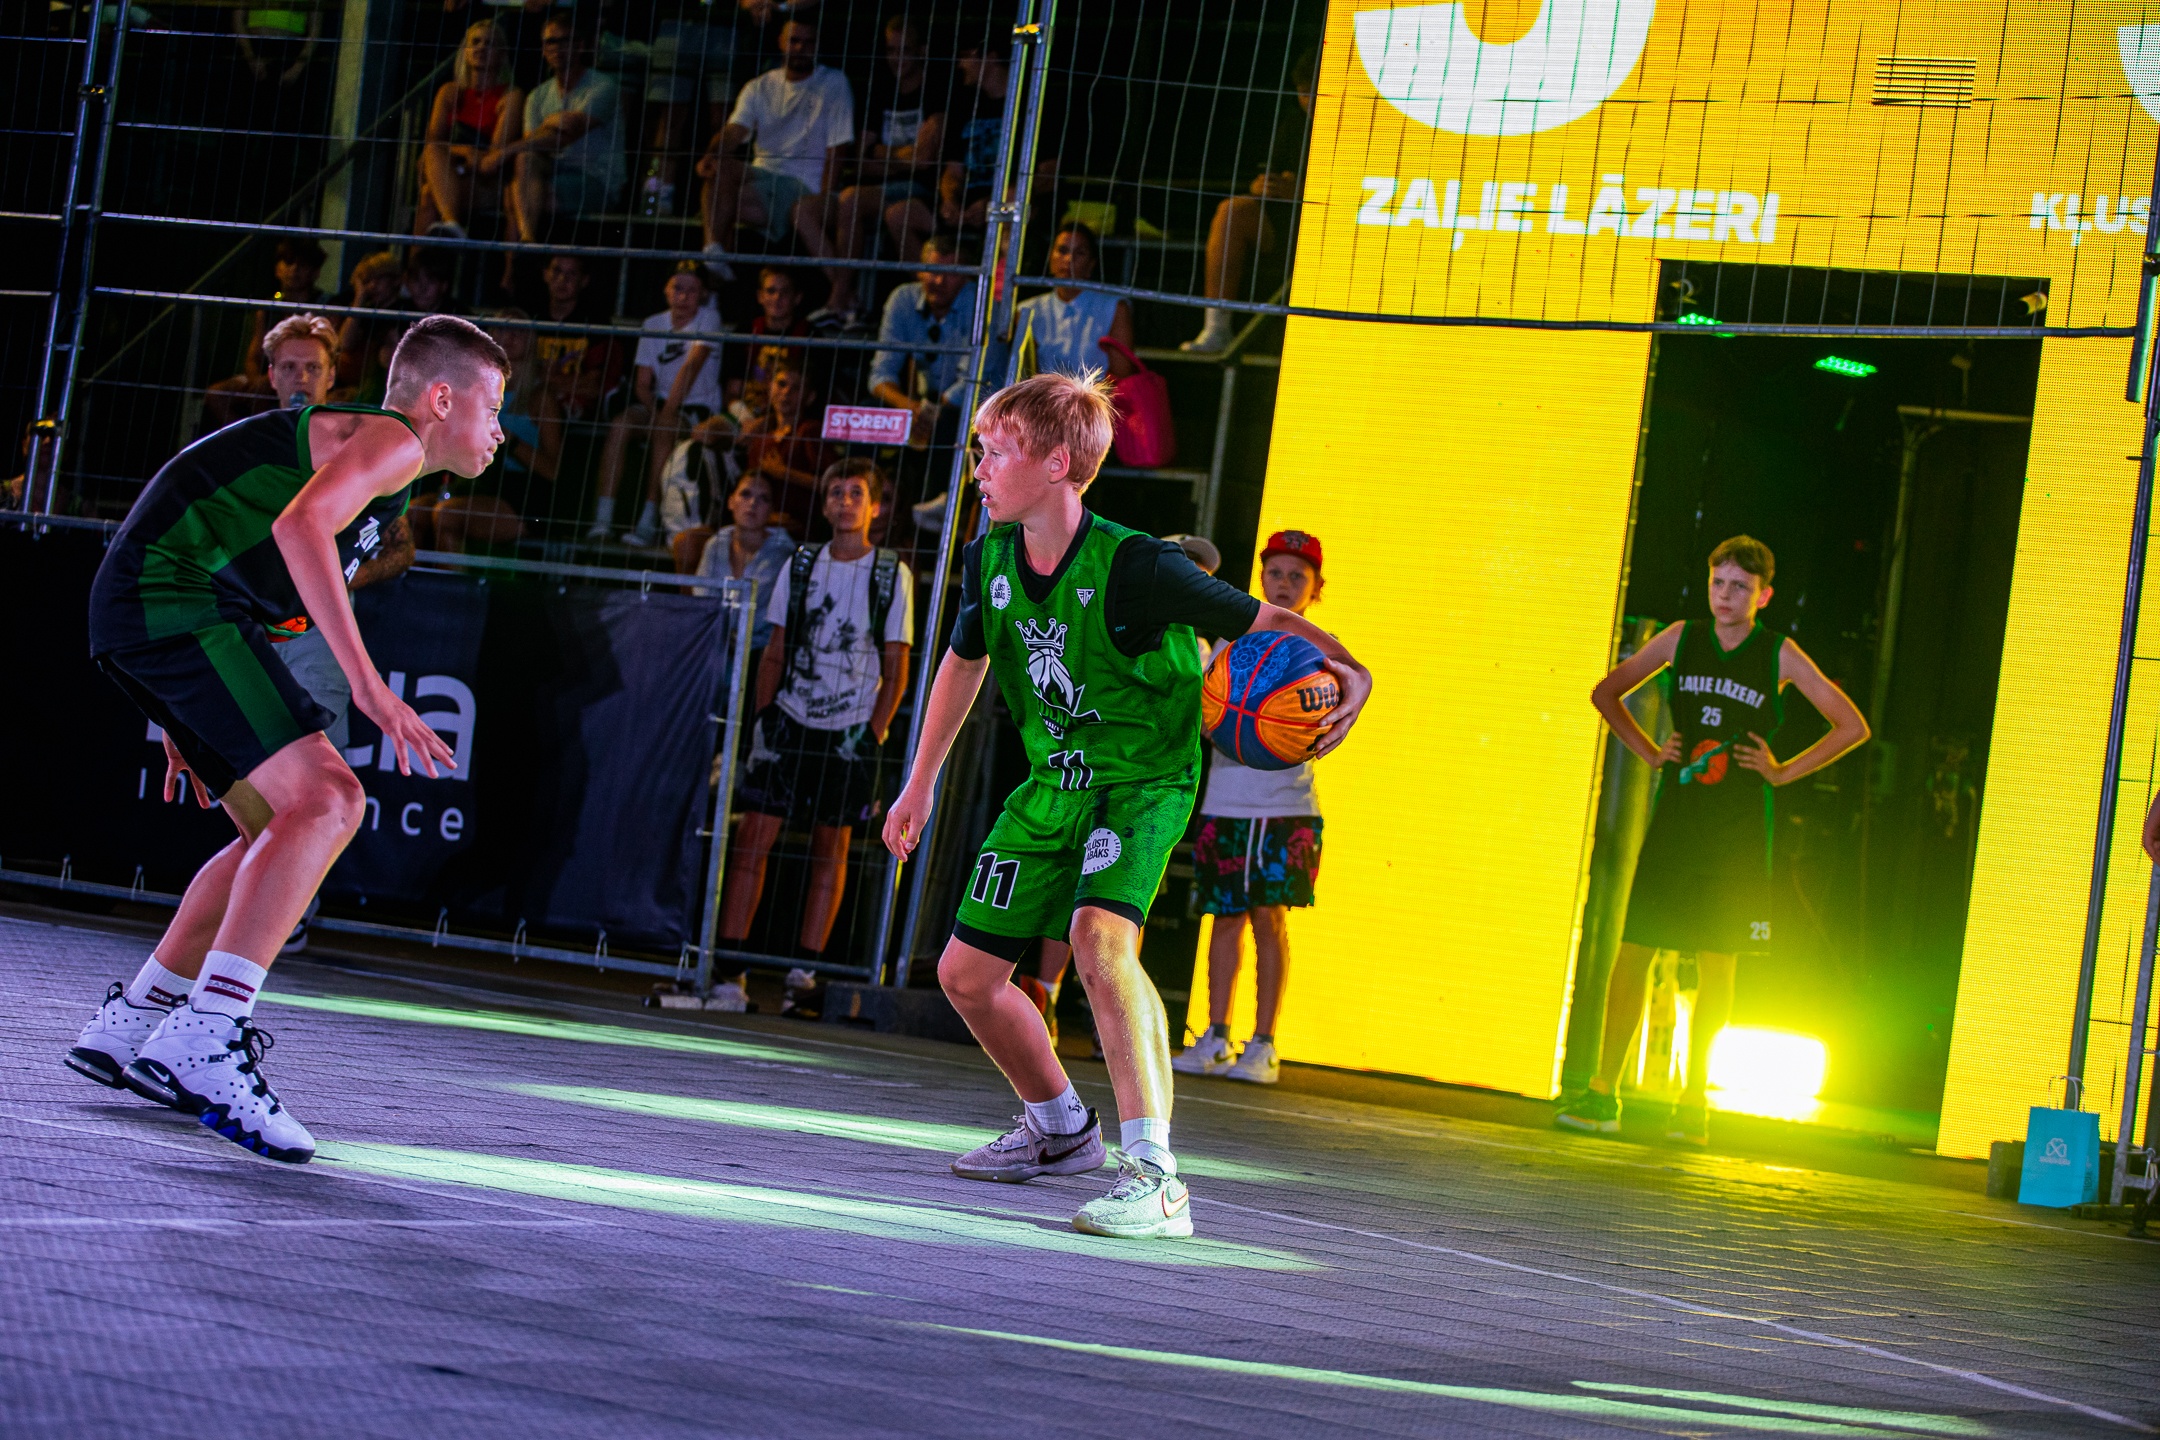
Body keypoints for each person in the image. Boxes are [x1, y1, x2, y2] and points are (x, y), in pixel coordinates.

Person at [882, 371, 1372, 1239]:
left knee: (1098, 940)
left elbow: (1265, 618)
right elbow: (965, 658)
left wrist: (1353, 669)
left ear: (1056, 463)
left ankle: (1155, 1175)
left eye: (994, 452)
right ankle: (1060, 1127)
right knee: (965, 977)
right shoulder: (990, 555)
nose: (979, 469)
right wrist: (920, 779)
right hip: (1055, 781)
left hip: (1143, 781)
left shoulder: (1140, 564)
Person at [65, 315, 500, 1162]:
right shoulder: (395, 440)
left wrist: (189, 716)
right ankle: (209, 1034)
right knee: (332, 799)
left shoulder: (384, 477)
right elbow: (300, 530)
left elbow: (266, 562)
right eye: (494, 407)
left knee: (275, 831)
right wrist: (368, 685)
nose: (499, 430)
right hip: (172, 599)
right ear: (443, 399)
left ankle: (136, 1021)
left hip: (163, 607)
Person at [1559, 536, 1869, 1147]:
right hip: (1679, 816)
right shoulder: (1681, 638)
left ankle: (1693, 1104)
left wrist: (1782, 770)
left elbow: (1851, 725)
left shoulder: (1779, 653)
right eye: (1718, 583)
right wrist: (1651, 750)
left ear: (1764, 596)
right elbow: (1605, 693)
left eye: (1739, 588)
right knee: (1635, 948)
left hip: (1739, 829)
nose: (1726, 596)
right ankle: (1602, 1092)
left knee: (1717, 962)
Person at [722, 459, 912, 957]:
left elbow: (897, 667)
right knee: (752, 836)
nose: (845, 502)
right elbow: (775, 649)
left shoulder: (891, 573)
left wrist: (871, 733)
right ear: (824, 505)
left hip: (850, 727)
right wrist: (766, 718)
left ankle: (803, 971)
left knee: (832, 847)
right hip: (790, 717)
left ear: (876, 507)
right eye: (835, 493)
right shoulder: (802, 564)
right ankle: (729, 967)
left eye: (856, 493)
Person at [1174, 530, 1329, 1085]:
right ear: (1260, 579)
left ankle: (1263, 1045)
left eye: (1297, 576)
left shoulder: (1321, 651)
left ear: (1316, 587)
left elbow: (1328, 720)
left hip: (1288, 805)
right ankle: (1216, 1036)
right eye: (1275, 573)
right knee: (1224, 918)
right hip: (1226, 801)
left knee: (1270, 918)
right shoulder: (1230, 643)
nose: (1284, 584)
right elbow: (1205, 717)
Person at [797, 12, 944, 327]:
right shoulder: (880, 90)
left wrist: (883, 155)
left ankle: (840, 300)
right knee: (813, 208)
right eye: (891, 50)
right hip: (882, 187)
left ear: (922, 50)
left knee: (851, 198)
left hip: (922, 190)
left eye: (905, 50)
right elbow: (861, 159)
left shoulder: (936, 90)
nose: (897, 58)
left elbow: (925, 160)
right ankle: (847, 302)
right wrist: (902, 156)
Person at [696, 17, 854, 279]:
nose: (801, 48)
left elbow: (837, 148)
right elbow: (735, 131)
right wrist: (712, 154)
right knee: (717, 170)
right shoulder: (759, 86)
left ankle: (714, 270)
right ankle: (713, 253)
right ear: (781, 42)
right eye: (794, 41)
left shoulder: (834, 83)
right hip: (762, 176)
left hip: (802, 185)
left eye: (808, 42)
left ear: (818, 45)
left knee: (717, 203)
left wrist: (823, 200)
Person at [1182, 50, 1314, 354]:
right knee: (1232, 211)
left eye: (1314, 93)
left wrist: (1306, 191)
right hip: (1289, 223)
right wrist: (1262, 186)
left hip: (1343, 222)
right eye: (1302, 93)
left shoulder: (1364, 122)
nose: (1308, 102)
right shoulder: (1294, 122)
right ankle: (1217, 328)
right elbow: (1272, 171)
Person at [590, 262, 724, 547]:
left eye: (692, 290)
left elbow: (690, 369)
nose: (683, 296)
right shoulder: (653, 323)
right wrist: (655, 411)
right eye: (678, 288)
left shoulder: (709, 319)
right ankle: (602, 520)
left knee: (664, 428)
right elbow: (642, 382)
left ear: (703, 294)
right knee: (621, 424)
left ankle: (647, 523)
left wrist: (664, 415)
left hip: (695, 408)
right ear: (666, 290)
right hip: (658, 403)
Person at [491, 13, 626, 267]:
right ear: (543, 49)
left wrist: (503, 152)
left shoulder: (603, 86)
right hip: (551, 173)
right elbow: (534, 143)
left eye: (565, 40)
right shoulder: (537, 95)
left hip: (595, 179)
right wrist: (550, 125)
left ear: (580, 45)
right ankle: (527, 244)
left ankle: (514, 268)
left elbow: (564, 136)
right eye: (550, 42)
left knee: (517, 196)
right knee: (524, 164)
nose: (557, 48)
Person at [417, 308, 553, 552]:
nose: (508, 336)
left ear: (531, 341)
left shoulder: (540, 398)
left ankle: (453, 579)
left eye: (518, 331)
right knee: (412, 514)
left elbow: (554, 470)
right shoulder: (476, 393)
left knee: (447, 516)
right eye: (501, 329)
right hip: (479, 482)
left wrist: (509, 442)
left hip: (521, 493)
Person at [868, 234, 1000, 450]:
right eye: (932, 270)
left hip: (978, 407)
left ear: (966, 277)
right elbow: (881, 374)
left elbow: (970, 384)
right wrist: (909, 407)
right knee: (869, 411)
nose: (939, 281)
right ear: (920, 270)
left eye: (951, 274)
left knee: (946, 423)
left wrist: (926, 413)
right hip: (924, 404)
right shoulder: (902, 299)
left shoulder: (982, 306)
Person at [203, 237, 329, 430]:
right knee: (216, 394)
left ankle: (268, 437)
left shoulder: (326, 307)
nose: (294, 269)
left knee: (263, 392)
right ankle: (247, 438)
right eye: (288, 262)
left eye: (302, 265)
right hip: (269, 376)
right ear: (277, 269)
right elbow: (254, 356)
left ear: (315, 272)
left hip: (303, 376)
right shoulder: (267, 308)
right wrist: (257, 380)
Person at [417, 20, 524, 239]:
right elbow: (434, 142)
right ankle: (450, 227)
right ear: (465, 51)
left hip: (487, 181)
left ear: (502, 54)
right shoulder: (449, 92)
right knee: (431, 159)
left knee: (430, 194)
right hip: (451, 171)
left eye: (489, 43)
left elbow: (493, 157)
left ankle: (446, 234)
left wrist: (455, 153)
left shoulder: (511, 96)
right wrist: (466, 152)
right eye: (475, 42)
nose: (481, 47)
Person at [1017, 222, 1135, 380]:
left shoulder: (1115, 308)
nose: (1069, 259)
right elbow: (1025, 374)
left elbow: (1122, 375)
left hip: (1099, 394)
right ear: (1050, 258)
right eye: (1062, 250)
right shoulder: (1027, 310)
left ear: (1091, 264)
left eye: (1079, 253)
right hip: (1044, 394)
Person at [695, 471, 797, 650]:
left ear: (771, 511)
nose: (753, 503)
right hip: (713, 645)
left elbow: (771, 619)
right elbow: (702, 601)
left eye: (763, 498)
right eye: (745, 494)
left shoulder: (782, 554)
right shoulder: (715, 545)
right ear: (731, 502)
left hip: (761, 650)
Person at [531, 252, 625, 424]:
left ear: (584, 280)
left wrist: (543, 379)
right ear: (545, 274)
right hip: (533, 399)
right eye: (557, 271)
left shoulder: (595, 321)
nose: (562, 280)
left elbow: (593, 385)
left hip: (578, 405)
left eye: (572, 274)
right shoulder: (531, 315)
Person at [734, 361, 833, 521]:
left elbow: (830, 484)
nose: (786, 392)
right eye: (781, 384)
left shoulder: (809, 431)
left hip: (798, 523)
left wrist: (785, 473)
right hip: (761, 521)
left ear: (810, 397)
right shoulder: (761, 440)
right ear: (770, 388)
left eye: (796, 388)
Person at [726, 266, 813, 420]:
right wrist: (745, 419)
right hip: (745, 415)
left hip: (790, 417)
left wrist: (768, 421)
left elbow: (810, 397)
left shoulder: (809, 336)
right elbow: (733, 391)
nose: (777, 297)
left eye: (785, 292)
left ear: (797, 298)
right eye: (771, 291)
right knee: (706, 430)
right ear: (760, 296)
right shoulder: (746, 331)